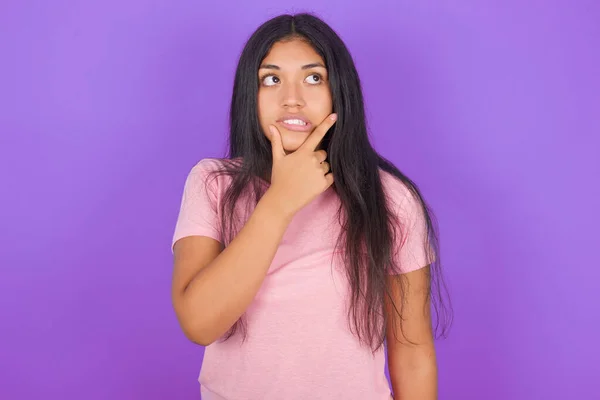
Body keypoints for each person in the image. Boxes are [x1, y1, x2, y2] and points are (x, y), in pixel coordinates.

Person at [170, 13, 452, 400]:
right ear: (249, 97)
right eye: (272, 79)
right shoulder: (213, 184)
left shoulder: (390, 199)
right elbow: (199, 323)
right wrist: (279, 202)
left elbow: (413, 350)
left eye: (313, 77)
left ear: (340, 91)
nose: (292, 98)